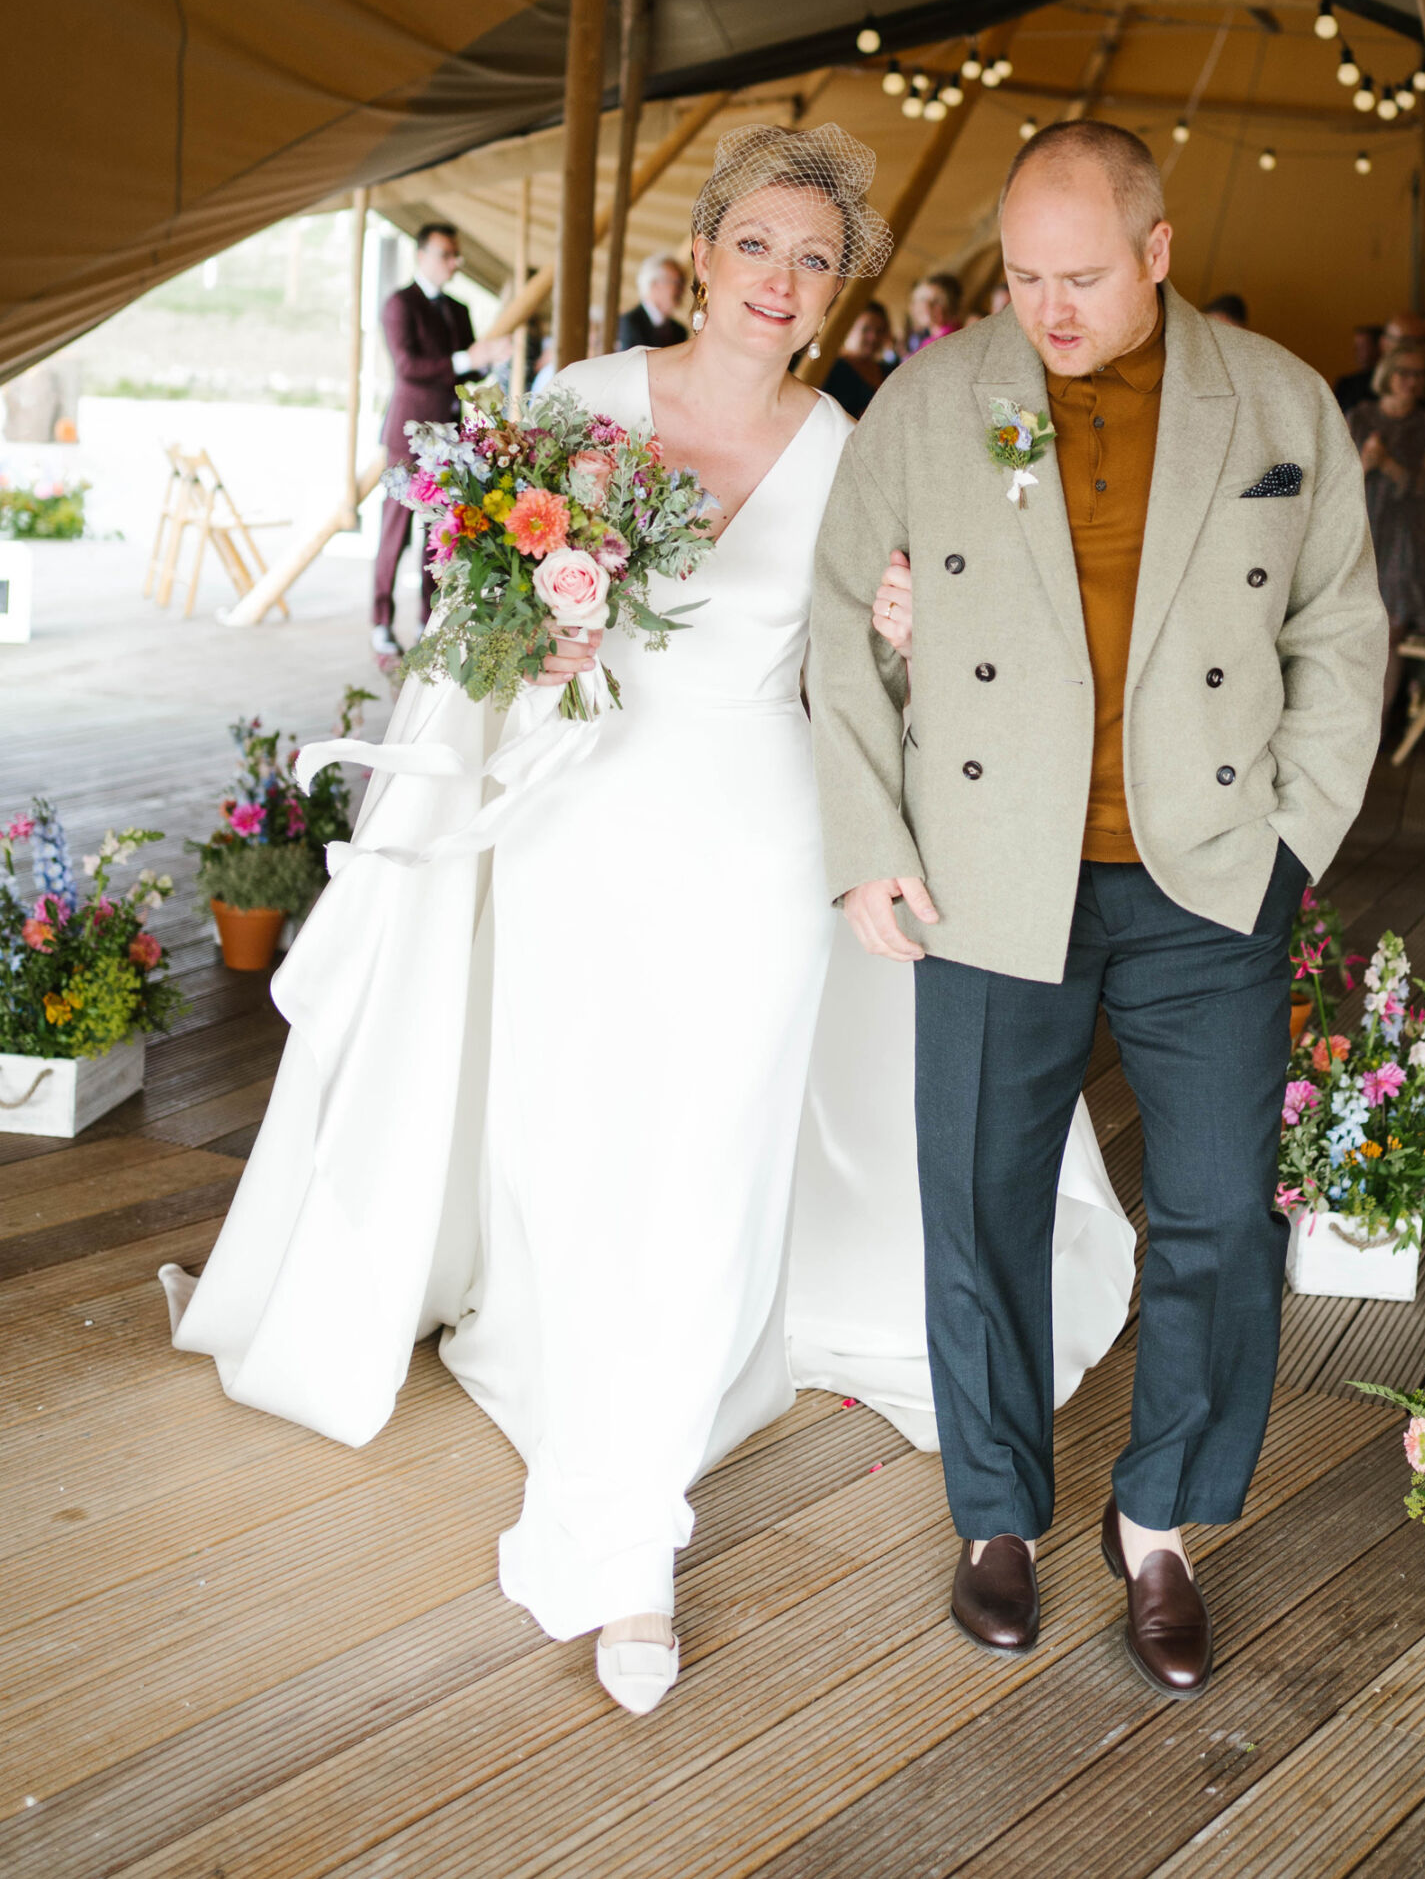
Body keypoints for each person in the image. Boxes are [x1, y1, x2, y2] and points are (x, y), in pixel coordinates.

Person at [163, 124, 1131, 1723]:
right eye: (759, 245)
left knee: (707, 1158)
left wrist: (903, 636)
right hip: (577, 835)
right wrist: (527, 651)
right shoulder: (579, 413)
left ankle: (621, 1542)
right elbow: (471, 630)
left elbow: (876, 678)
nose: (783, 281)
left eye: (818, 262)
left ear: (840, 297)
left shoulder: (849, 447)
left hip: (755, 847)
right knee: (574, 1144)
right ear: (700, 254)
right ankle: (584, 1386)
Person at [810, 119, 1386, 1698]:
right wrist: (869, 840)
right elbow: (835, 632)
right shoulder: (932, 401)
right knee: (978, 1210)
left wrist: (1292, 848)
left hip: (1209, 876)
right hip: (996, 878)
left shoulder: (1276, 402)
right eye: (1022, 273)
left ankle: (1162, 1523)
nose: (1047, 309)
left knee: (1217, 1213)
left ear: (1157, 251)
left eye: (1081, 276)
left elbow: (1342, 629)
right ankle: (994, 1515)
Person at [372, 224, 504, 662]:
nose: (453, 263)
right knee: (395, 531)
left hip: (449, 436)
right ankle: (380, 621)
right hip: (408, 434)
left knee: (438, 533)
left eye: (456, 255)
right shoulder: (399, 303)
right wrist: (470, 358)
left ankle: (428, 619)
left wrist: (491, 362)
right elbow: (409, 365)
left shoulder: (459, 308)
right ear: (422, 254)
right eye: (446, 254)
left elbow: (462, 372)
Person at [1347, 340, 1425, 718]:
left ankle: (1379, 724)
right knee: (1352, 633)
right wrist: (1365, 462)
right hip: (1362, 530)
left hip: (1405, 540)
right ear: (1388, 374)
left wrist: (1387, 463)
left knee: (1390, 636)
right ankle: (1348, 719)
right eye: (1404, 372)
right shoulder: (1359, 416)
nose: (1411, 380)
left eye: (1418, 373)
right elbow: (1335, 480)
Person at [823, 299, 897, 420]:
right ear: (849, 329)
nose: (873, 337)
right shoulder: (833, 370)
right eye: (866, 329)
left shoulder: (889, 370)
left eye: (880, 331)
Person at [617, 252, 688, 352]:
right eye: (677, 283)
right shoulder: (629, 324)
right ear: (654, 285)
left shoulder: (680, 331)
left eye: (683, 283)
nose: (682, 290)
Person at [906, 272, 964, 353]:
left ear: (952, 305)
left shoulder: (946, 340)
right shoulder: (927, 339)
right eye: (921, 300)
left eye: (936, 301)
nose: (926, 306)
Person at [1334, 323, 1382, 412]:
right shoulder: (1346, 384)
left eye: (1363, 347)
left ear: (1379, 347)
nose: (1356, 352)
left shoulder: (1389, 383)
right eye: (1356, 347)